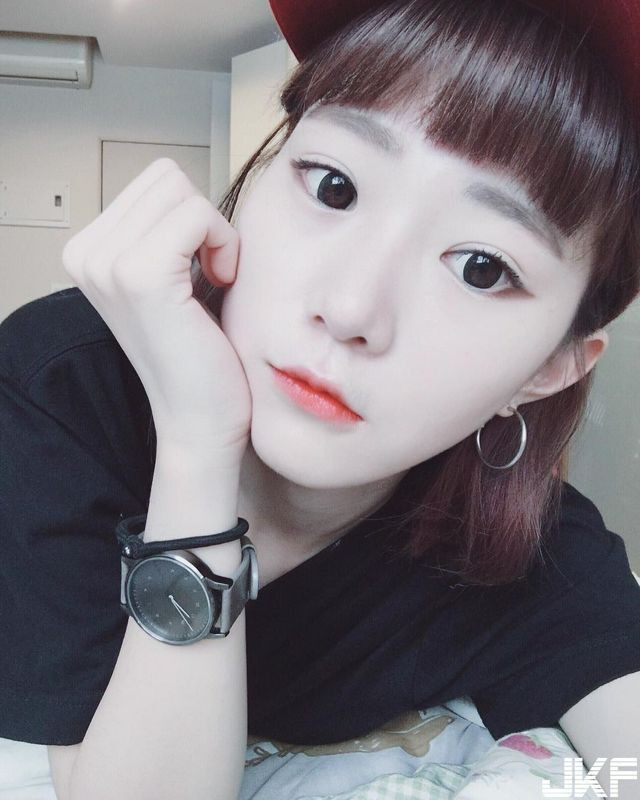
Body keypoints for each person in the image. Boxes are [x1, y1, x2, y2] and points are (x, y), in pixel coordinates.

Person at [1, 0, 639, 798]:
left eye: (482, 268)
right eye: (334, 187)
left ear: (548, 370)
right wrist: (199, 447)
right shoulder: (67, 385)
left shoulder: (529, 556)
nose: (350, 309)